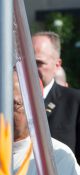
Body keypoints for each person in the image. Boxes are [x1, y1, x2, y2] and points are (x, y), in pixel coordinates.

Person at [32, 31, 80, 160]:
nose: (31, 69)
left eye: (38, 63)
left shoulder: (74, 102)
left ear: (57, 65)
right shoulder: (1, 102)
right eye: (26, 62)